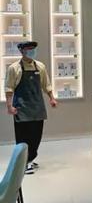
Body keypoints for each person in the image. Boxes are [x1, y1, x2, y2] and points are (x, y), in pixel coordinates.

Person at [4, 41, 58, 174]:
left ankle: (30, 159)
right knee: (22, 138)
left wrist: (52, 98)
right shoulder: (14, 68)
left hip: (37, 107)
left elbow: (46, 84)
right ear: (21, 51)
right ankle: (23, 163)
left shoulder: (40, 66)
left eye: (33, 49)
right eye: (28, 49)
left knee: (36, 137)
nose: (32, 51)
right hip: (21, 108)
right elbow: (9, 88)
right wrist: (9, 106)